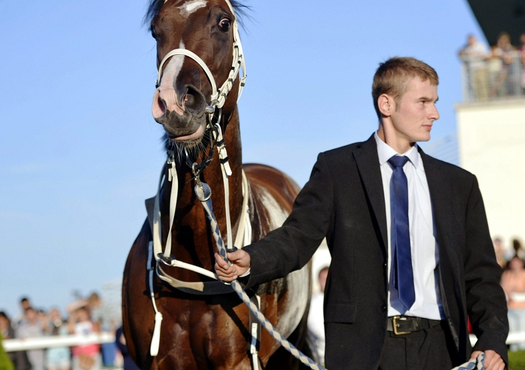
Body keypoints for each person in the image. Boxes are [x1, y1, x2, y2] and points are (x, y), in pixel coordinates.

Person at [215, 57, 508, 370]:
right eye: (422, 102)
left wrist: (492, 341)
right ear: (386, 104)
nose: (434, 113)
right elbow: (297, 238)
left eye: (434, 102)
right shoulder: (336, 170)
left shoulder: (459, 185)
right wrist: (252, 259)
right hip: (365, 352)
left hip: (441, 350)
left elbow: (481, 275)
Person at [500, 256, 525, 351]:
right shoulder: (506, 274)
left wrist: (514, 291)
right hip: (510, 307)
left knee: (523, 332)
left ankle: (524, 353)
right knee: (512, 332)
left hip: (523, 307)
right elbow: (503, 288)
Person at [307, 266, 329, 363]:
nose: (327, 283)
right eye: (324, 279)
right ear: (319, 281)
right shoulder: (312, 304)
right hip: (319, 360)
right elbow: (318, 332)